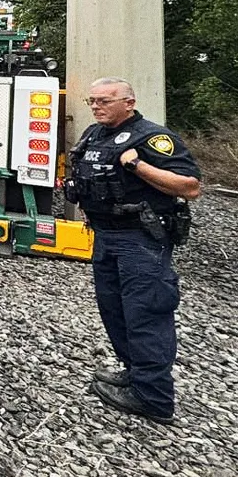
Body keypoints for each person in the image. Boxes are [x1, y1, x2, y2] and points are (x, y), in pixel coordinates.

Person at [64, 77, 201, 425]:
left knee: (146, 313)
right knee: (114, 310)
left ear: (129, 102)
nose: (96, 107)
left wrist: (137, 165)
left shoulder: (152, 138)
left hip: (140, 241)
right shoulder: (94, 136)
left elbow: (189, 186)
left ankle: (154, 397)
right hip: (105, 237)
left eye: (105, 101)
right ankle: (134, 374)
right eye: (92, 101)